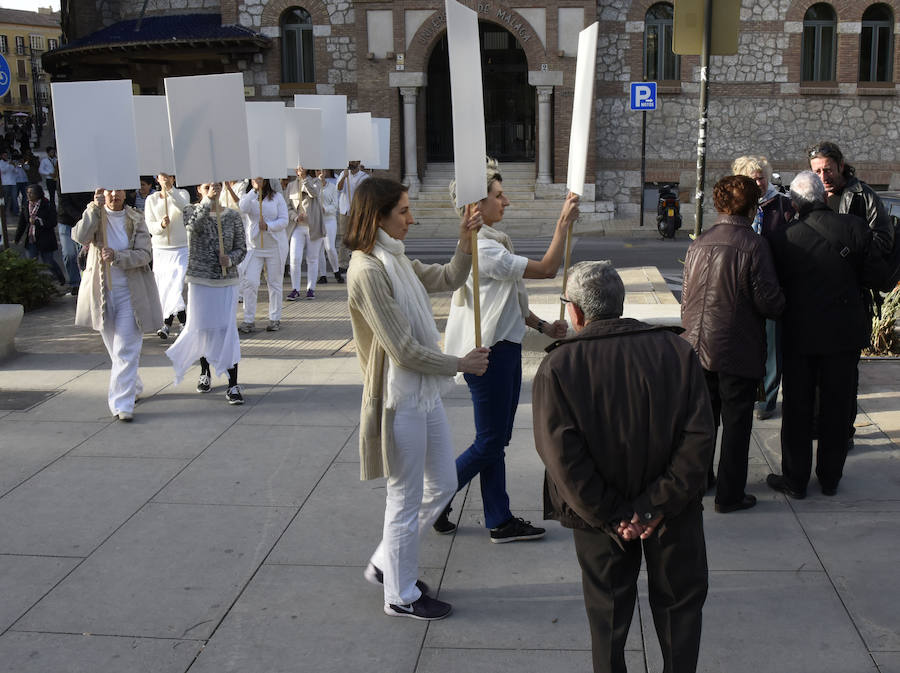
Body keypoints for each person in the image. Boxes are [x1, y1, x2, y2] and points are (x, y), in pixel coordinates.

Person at [533, 260, 714, 673]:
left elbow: (562, 457)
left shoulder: (560, 366)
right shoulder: (676, 351)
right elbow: (700, 438)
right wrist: (655, 505)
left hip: (602, 523)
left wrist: (614, 514)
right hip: (672, 514)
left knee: (609, 617)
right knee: (679, 609)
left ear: (575, 312)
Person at [345, 177, 489, 621]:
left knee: (443, 482)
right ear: (378, 216)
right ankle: (400, 595)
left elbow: (451, 277)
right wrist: (460, 364)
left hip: (422, 393)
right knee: (403, 499)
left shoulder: (395, 257)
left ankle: (385, 565)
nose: (411, 219)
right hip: (397, 399)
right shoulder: (368, 269)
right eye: (403, 211)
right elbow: (402, 349)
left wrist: (466, 237)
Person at [437, 157, 579, 541]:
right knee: (490, 441)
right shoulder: (485, 249)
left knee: (495, 440)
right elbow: (549, 268)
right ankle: (434, 500)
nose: (507, 202)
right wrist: (562, 225)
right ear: (475, 207)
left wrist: (544, 326)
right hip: (489, 355)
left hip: (502, 350)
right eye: (499, 196)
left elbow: (510, 303)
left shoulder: (490, 244)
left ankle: (499, 519)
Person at [766, 171, 888, 499]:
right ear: (822, 196)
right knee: (836, 407)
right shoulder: (855, 228)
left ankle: (795, 479)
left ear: (794, 202)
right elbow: (876, 275)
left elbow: (774, 289)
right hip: (844, 335)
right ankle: (830, 478)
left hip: (800, 336)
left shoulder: (783, 238)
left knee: (797, 409)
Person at [681, 175, 784, 513]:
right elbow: (769, 301)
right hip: (735, 347)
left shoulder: (700, 243)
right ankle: (730, 494)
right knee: (737, 422)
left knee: (704, 421)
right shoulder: (753, 245)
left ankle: (701, 480)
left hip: (697, 344)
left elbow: (686, 297)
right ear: (753, 207)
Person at [807, 141, 895, 449]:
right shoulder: (810, 195)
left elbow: (884, 240)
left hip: (852, 296)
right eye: (817, 171)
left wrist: (849, 249)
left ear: (841, 165)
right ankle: (819, 428)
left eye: (828, 169)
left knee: (844, 374)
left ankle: (844, 433)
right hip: (816, 298)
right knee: (816, 372)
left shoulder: (863, 196)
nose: (823, 176)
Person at [72, 187, 163, 421]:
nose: (114, 195)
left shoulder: (135, 217)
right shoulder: (95, 214)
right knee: (116, 350)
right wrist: (93, 207)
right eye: (109, 191)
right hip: (102, 292)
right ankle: (133, 386)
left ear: (125, 193)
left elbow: (145, 254)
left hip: (131, 294)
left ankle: (122, 404)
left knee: (126, 348)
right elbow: (80, 236)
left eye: (119, 190)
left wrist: (119, 257)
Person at [166, 182, 247, 405]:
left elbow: (242, 247)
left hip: (226, 281)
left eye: (217, 185)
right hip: (201, 281)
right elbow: (193, 226)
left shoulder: (232, 215)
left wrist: (230, 259)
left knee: (227, 330)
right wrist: (206, 203)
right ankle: (205, 372)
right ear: (199, 190)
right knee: (202, 328)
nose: (214, 188)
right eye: (208, 186)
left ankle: (233, 383)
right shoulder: (192, 211)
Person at [731, 155, 796, 420]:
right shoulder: (737, 206)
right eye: (752, 178)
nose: (758, 182)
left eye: (761, 177)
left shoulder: (782, 205)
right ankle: (745, 392)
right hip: (742, 287)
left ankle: (767, 400)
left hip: (771, 284)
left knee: (771, 348)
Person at [239, 177, 289, 332]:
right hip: (255, 247)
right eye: (254, 178)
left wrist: (268, 226)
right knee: (251, 282)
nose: (257, 180)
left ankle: (275, 318)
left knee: (274, 283)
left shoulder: (277, 197)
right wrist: (253, 191)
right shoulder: (251, 197)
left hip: (274, 246)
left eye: (260, 178)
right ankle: (248, 320)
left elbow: (284, 220)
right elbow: (242, 207)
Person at [145, 173, 190, 340]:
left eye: (169, 177)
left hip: (180, 248)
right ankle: (170, 322)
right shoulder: (152, 199)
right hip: (160, 249)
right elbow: (150, 224)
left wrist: (171, 190)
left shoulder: (182, 193)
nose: (165, 179)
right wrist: (161, 225)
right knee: (164, 287)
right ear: (157, 179)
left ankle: (172, 322)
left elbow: (185, 208)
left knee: (176, 285)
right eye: (162, 177)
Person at [284, 166, 326, 300]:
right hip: (298, 226)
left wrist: (304, 180)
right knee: (294, 258)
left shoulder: (316, 182)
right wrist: (295, 217)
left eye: (301, 168)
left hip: (313, 226)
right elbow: (288, 206)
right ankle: (295, 288)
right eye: (297, 169)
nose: (298, 170)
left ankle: (311, 288)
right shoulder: (291, 186)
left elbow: (314, 193)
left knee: (312, 259)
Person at [14, 183, 66, 285]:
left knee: (48, 262)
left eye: (31, 193)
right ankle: (32, 283)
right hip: (31, 238)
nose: (29, 195)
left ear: (38, 194)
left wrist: (38, 222)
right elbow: (22, 223)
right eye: (27, 193)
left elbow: (52, 222)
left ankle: (60, 278)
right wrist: (17, 237)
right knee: (31, 263)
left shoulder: (47, 205)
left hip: (45, 239)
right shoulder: (26, 205)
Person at [335, 161, 368, 279]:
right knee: (344, 237)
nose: (350, 163)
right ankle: (342, 264)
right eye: (349, 161)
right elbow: (339, 189)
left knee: (358, 237)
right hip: (344, 210)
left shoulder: (364, 177)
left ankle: (358, 261)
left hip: (357, 211)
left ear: (358, 162)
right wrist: (344, 177)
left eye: (353, 161)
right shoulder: (344, 174)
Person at [57, 190, 93, 296]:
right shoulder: (64, 177)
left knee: (84, 254)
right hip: (67, 220)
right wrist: (80, 216)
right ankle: (75, 284)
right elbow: (64, 201)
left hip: (87, 218)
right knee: (69, 254)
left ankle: (86, 282)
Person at [316, 168, 340, 284]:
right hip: (318, 220)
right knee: (319, 249)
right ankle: (323, 275)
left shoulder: (332, 187)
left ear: (325, 172)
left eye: (321, 171)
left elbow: (335, 205)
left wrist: (326, 209)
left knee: (329, 247)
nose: (320, 173)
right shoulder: (314, 187)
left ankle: (336, 271)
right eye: (317, 171)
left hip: (329, 219)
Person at [0, 150, 19, 215]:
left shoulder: (10, 162)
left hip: (13, 182)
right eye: (4, 155)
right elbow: (3, 170)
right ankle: (3, 212)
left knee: (14, 197)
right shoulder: (1, 162)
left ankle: (15, 212)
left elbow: (16, 171)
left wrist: (14, 166)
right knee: (6, 198)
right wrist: (8, 164)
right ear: (1, 156)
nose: (6, 156)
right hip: (5, 183)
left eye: (6, 155)